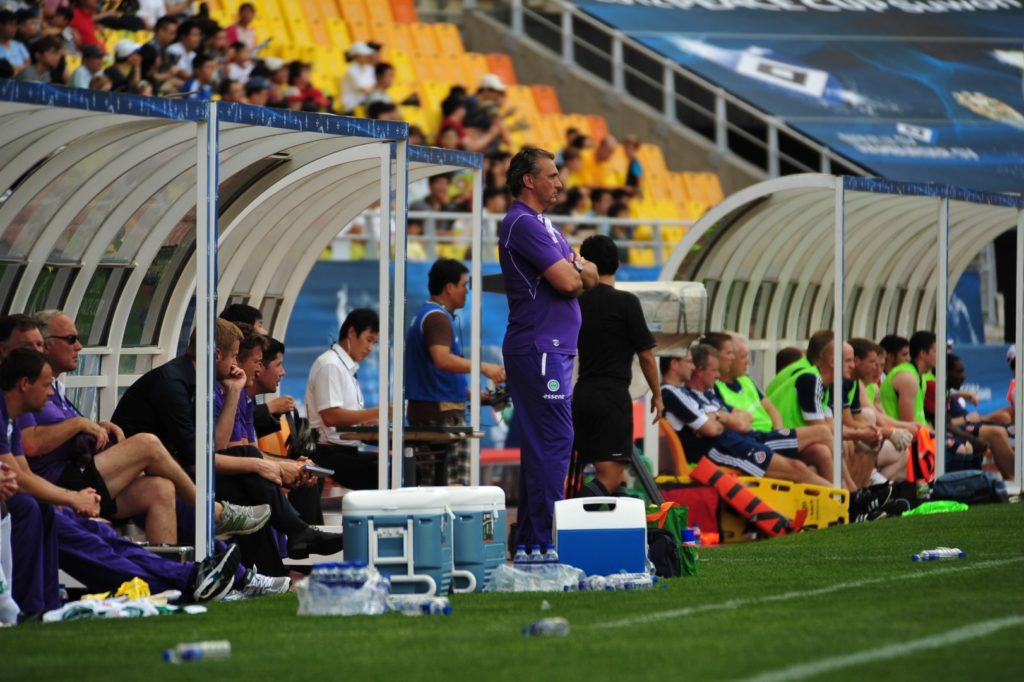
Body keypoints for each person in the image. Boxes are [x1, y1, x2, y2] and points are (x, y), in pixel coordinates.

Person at [14, 310, 270, 545]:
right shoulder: (21, 390)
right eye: (71, 339)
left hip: (90, 471)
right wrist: (80, 423)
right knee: (147, 443)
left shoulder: (55, 389)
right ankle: (212, 512)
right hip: (64, 479)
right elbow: (31, 443)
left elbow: (215, 448)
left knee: (161, 488)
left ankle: (172, 574)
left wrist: (95, 425)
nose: (79, 346)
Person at [498, 147, 598, 548]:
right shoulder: (522, 223)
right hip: (540, 347)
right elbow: (573, 281)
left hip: (552, 349)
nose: (560, 183)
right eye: (552, 175)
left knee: (545, 445)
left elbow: (591, 275)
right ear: (529, 180)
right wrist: (575, 267)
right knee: (555, 441)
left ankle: (531, 544)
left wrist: (576, 266)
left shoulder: (546, 226)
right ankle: (544, 544)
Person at [661, 344, 830, 486]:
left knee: (816, 450)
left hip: (741, 438)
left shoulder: (694, 393)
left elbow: (740, 422)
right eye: (689, 362)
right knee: (798, 467)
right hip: (723, 448)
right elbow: (711, 429)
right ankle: (842, 499)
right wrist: (723, 420)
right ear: (674, 364)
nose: (692, 367)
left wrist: (719, 417)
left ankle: (840, 496)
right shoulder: (670, 392)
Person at [573, 235, 661, 497]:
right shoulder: (626, 302)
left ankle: (612, 523)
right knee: (610, 477)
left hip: (582, 394)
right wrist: (657, 395)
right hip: (611, 397)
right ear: (618, 263)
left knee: (617, 478)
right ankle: (565, 517)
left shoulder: (576, 303)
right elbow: (646, 356)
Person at [405, 259, 505, 485]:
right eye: (463, 285)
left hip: (435, 411)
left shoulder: (430, 315)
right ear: (449, 287)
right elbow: (442, 360)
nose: (467, 291)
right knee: (453, 486)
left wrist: (473, 395)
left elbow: (434, 374)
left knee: (436, 484)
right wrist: (484, 367)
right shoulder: (437, 318)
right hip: (440, 415)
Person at [716, 333, 834, 481]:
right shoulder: (716, 388)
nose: (749, 362)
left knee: (821, 452)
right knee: (822, 432)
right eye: (743, 357)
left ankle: (843, 491)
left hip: (771, 435)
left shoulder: (746, 381)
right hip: (754, 439)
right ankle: (848, 492)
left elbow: (772, 410)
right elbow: (734, 424)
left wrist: (778, 432)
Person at [305, 309, 382, 492]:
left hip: (345, 450)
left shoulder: (345, 367)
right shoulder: (330, 365)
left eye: (374, 343)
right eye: (368, 339)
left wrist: (369, 420)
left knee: (397, 467)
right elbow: (331, 416)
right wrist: (376, 412)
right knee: (389, 471)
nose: (370, 348)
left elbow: (345, 414)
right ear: (352, 333)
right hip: (327, 453)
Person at [881, 330, 934, 427]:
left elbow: (920, 418)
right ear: (923, 353)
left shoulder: (920, 377)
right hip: (900, 433)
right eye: (936, 351)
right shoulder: (907, 377)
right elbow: (909, 424)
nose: (942, 356)